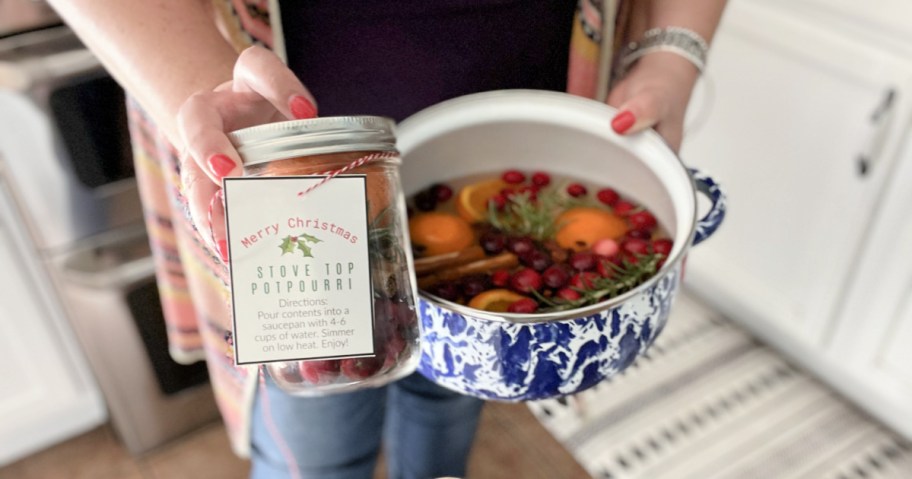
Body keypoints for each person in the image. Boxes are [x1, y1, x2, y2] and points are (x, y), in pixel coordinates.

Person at [48, 1, 727, 477]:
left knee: (449, 402)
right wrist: (203, 85)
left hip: (521, 123)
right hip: (281, 180)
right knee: (315, 437)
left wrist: (673, 53)